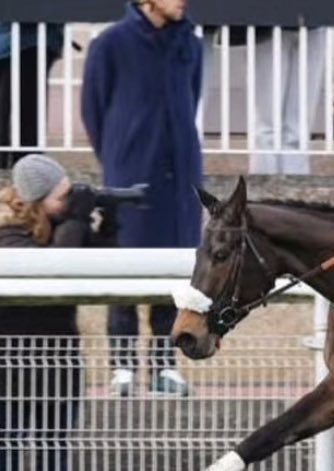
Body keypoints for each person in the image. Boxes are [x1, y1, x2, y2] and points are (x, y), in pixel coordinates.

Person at [81, 0, 202, 397]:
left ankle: (165, 364)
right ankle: (123, 366)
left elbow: (192, 96)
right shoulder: (110, 44)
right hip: (131, 177)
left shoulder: (191, 43)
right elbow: (93, 111)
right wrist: (121, 158)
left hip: (180, 177)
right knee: (125, 272)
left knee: (175, 273)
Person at [0, 155, 107, 471]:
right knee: (6, 448)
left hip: (58, 361)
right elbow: (53, 268)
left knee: (54, 450)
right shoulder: (8, 233)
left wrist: (107, 225)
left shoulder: (64, 229)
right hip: (10, 362)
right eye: (62, 197)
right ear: (37, 200)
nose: (68, 204)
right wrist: (77, 222)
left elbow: (98, 261)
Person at [248, 26, 326, 174]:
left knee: (298, 128)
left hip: (315, 22)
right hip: (268, 23)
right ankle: (262, 186)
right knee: (267, 127)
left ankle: (295, 187)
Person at [0, 22, 64, 168]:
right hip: (29, 39)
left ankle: (26, 166)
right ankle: (28, 166)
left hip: (28, 39)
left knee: (23, 108)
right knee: (27, 110)